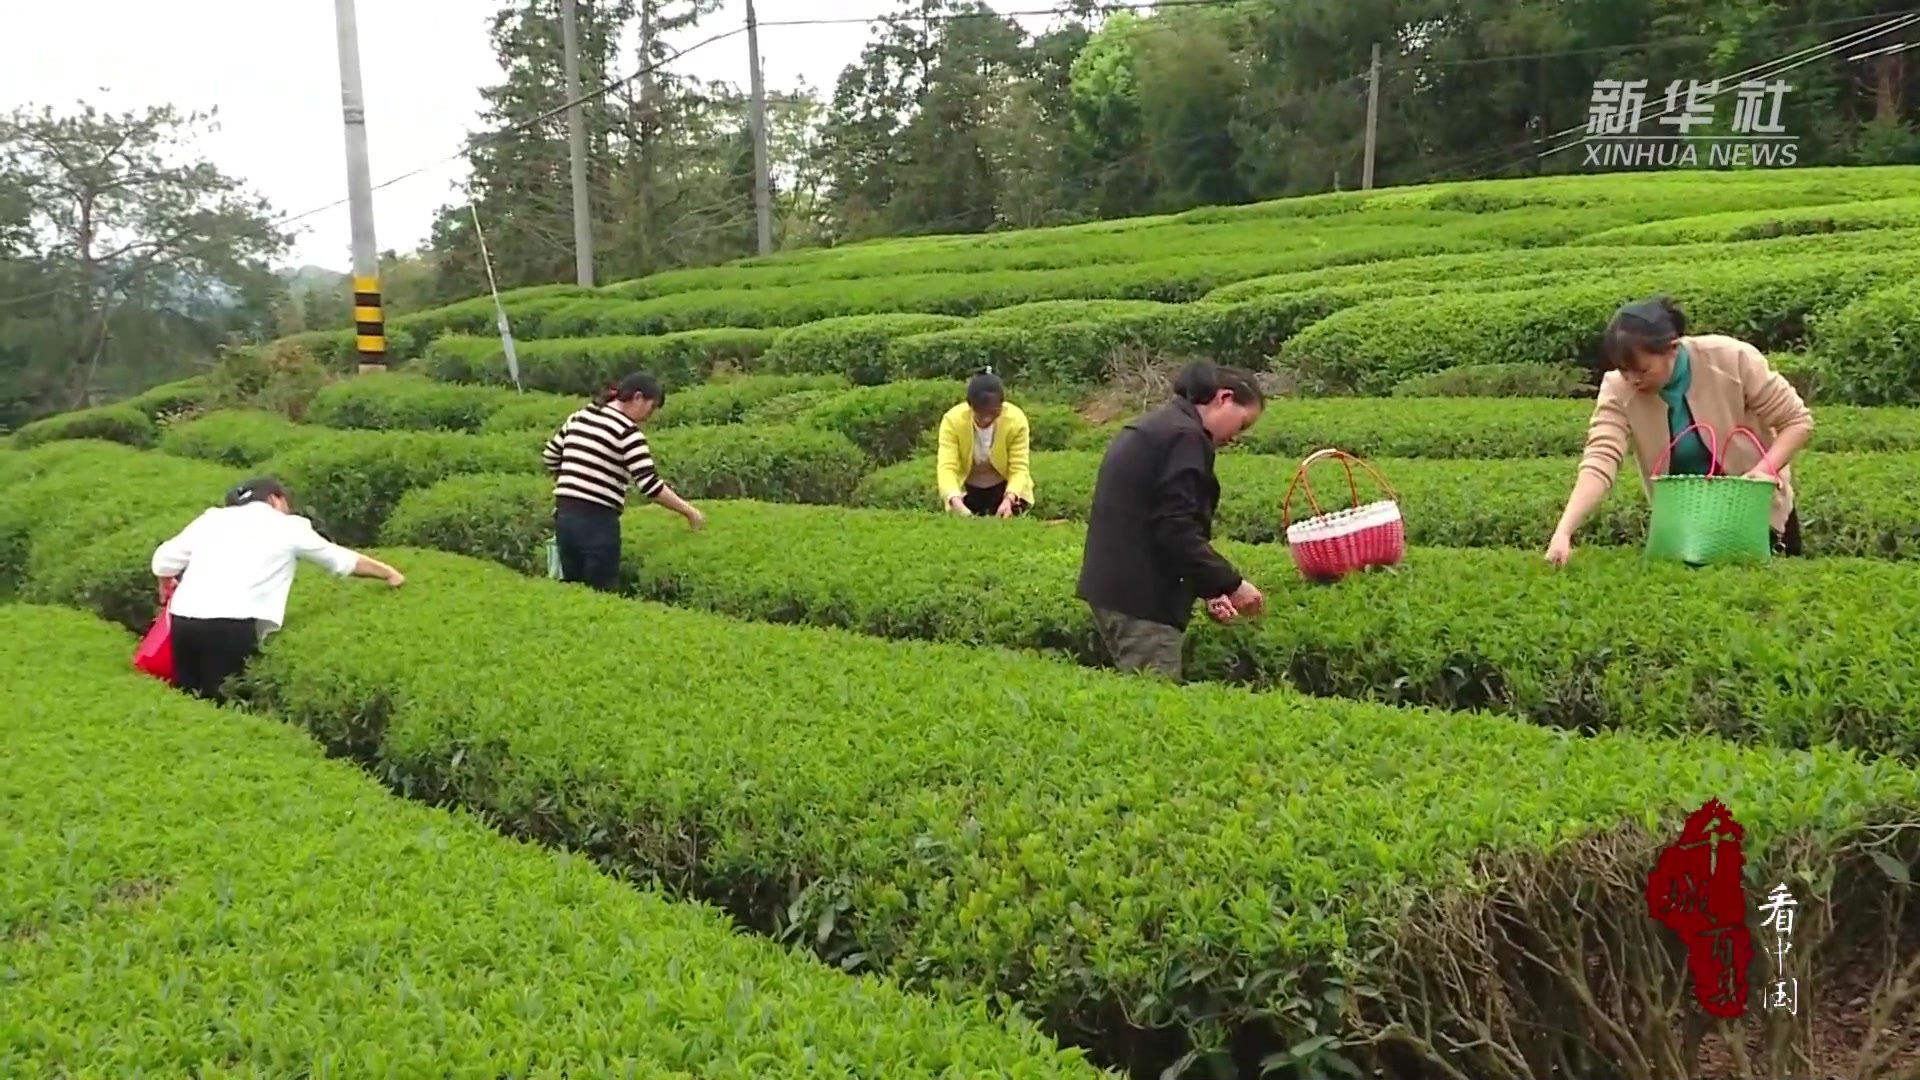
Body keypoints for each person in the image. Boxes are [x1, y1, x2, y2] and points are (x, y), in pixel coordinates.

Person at [1546, 296, 1814, 565]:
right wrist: (1564, 531)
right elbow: (1600, 459)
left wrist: (1765, 469)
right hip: (1686, 527)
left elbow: (1796, 420)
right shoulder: (1618, 389)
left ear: (1672, 348)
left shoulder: (1731, 359)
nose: (1632, 380)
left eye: (1642, 370)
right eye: (1623, 370)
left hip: (1757, 516)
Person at [1075, 360, 1268, 681]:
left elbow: (1162, 520)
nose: (1237, 436)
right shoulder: (1184, 437)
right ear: (1224, 398)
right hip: (1141, 599)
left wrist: (1208, 588)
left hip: (1116, 589)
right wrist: (1232, 584)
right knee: (1153, 707)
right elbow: (1175, 530)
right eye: (1243, 424)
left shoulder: (1159, 426)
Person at [150, 476, 405, 704]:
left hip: (184, 621)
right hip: (231, 626)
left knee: (190, 699)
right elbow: (342, 561)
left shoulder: (212, 519)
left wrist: (165, 583)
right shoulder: (289, 527)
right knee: (229, 703)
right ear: (275, 499)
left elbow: (164, 559)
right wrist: (389, 573)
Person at [541, 371, 704, 593]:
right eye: (652, 406)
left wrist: (572, 481)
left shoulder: (580, 416)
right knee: (601, 594)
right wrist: (689, 511)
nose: (651, 415)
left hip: (565, 518)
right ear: (637, 398)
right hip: (597, 522)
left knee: (574, 591)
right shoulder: (627, 432)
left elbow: (550, 456)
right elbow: (650, 485)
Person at [935, 370, 1034, 518]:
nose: (986, 419)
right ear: (970, 406)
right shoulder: (952, 421)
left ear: (1002, 405)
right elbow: (947, 467)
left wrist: (1009, 499)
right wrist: (955, 500)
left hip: (1004, 488)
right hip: (968, 490)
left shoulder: (1016, 420)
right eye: (981, 413)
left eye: (993, 413)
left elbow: (1019, 467)